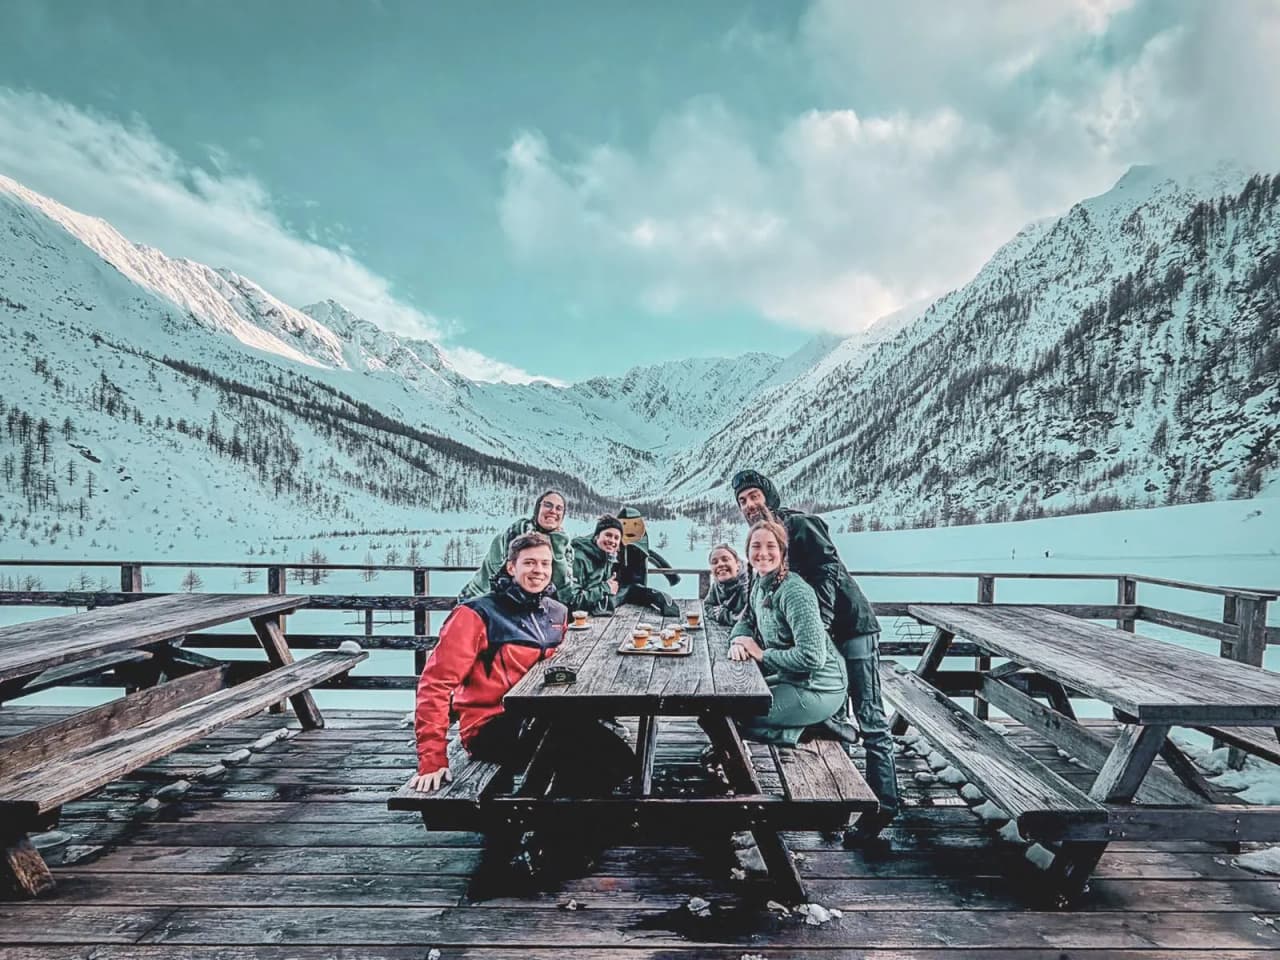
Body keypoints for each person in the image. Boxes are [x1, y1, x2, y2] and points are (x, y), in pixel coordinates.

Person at [411, 532, 632, 876]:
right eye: (529, 563)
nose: (538, 571)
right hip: (492, 725)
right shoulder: (476, 614)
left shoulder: (555, 611)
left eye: (545, 563)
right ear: (511, 567)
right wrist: (431, 757)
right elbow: (435, 684)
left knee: (617, 757)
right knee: (582, 751)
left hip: (547, 719)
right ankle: (550, 846)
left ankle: (560, 833)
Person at [731, 468, 899, 850]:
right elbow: (757, 598)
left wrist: (817, 626)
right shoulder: (765, 539)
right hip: (824, 639)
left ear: (769, 495)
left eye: (754, 495)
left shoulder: (799, 525)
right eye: (742, 501)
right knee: (835, 718)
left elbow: (827, 571)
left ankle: (883, 809)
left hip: (852, 629)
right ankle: (838, 805)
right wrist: (743, 629)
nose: (749, 504)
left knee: (871, 719)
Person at [728, 520, 847, 747]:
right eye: (756, 546)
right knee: (727, 702)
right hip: (790, 677)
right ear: (747, 552)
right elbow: (747, 619)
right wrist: (738, 641)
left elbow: (813, 657)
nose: (763, 553)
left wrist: (762, 654)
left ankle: (811, 729)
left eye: (771, 546)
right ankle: (800, 726)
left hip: (819, 686)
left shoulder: (795, 592)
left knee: (739, 716)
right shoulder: (760, 584)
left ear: (782, 552)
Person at [459, 490, 575, 601]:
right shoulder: (517, 533)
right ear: (537, 509)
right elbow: (505, 580)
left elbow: (565, 590)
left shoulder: (564, 546)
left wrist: (558, 548)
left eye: (559, 508)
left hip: (534, 606)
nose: (553, 511)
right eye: (548, 505)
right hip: (483, 598)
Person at [614, 506, 680, 617]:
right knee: (617, 598)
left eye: (635, 524)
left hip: (635, 586)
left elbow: (657, 560)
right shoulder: (614, 547)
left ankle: (665, 602)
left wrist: (672, 577)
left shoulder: (641, 549)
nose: (629, 529)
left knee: (642, 595)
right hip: (619, 587)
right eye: (624, 524)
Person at [569, 515, 622, 615]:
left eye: (616, 538)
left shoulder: (607, 557)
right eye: (608, 535)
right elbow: (573, 600)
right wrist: (606, 588)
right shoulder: (579, 558)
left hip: (594, 614)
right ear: (597, 536)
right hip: (575, 619)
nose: (612, 541)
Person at [704, 543, 749, 625]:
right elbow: (708, 605)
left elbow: (749, 619)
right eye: (714, 562)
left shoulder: (749, 585)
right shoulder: (716, 585)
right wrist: (715, 613)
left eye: (725, 559)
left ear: (738, 564)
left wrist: (723, 615)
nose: (720, 564)